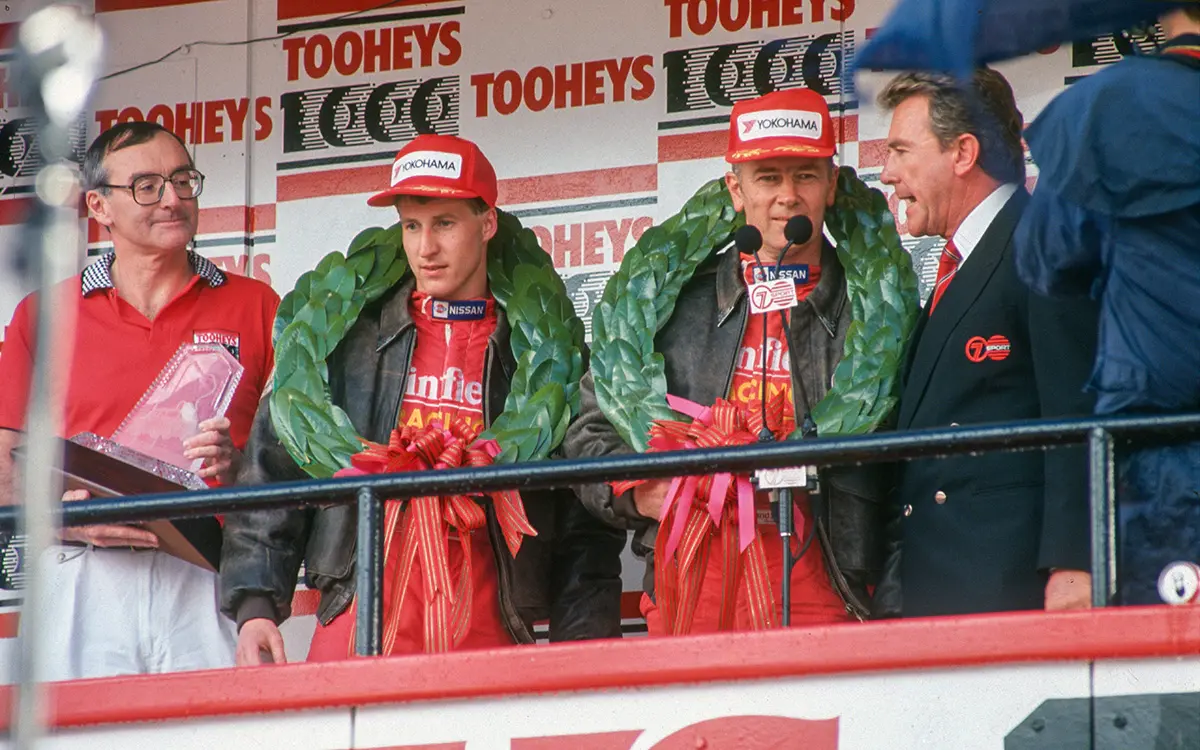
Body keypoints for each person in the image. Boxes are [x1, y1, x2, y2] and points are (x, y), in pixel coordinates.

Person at [220, 134, 624, 663]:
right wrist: (255, 606)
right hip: (356, 623)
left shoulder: (544, 359)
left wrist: (583, 646)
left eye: (445, 224)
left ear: (486, 224)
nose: (424, 248)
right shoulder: (346, 341)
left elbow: (582, 523)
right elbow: (271, 472)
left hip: (490, 630)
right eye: (411, 225)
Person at [565, 89, 888, 633]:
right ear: (736, 190)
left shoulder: (875, 313)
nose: (788, 196)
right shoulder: (671, 306)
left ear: (831, 186)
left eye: (805, 175)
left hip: (828, 597)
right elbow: (589, 429)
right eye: (767, 177)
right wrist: (641, 493)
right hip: (689, 592)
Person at [0, 121, 279, 679]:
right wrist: (70, 521)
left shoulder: (259, 305)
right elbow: (5, 464)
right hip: (84, 572)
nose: (172, 199)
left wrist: (239, 462)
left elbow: (297, 457)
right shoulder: (46, 314)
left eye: (183, 181)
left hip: (210, 570)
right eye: (147, 186)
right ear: (99, 206)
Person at [872, 69, 1100, 618]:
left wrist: (1076, 563)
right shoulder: (961, 261)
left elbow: (1077, 411)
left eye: (902, 151)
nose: (886, 174)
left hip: (1009, 586)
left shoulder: (1041, 247)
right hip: (941, 584)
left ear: (962, 153)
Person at [1014, 7, 1200, 604]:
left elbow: (1045, 262)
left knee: (1169, 685)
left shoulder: (1108, 106)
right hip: (1162, 445)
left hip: (1167, 452)